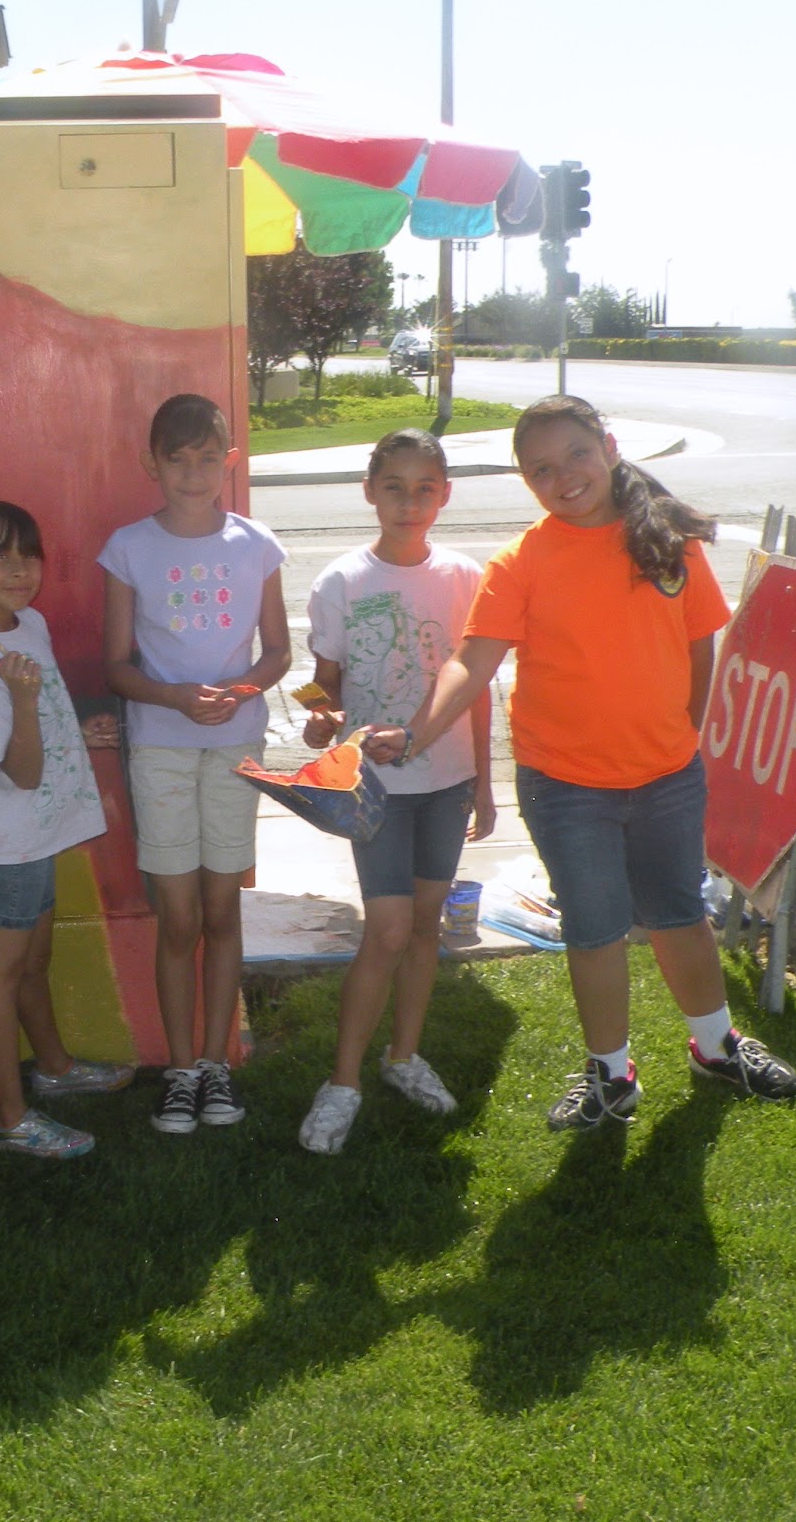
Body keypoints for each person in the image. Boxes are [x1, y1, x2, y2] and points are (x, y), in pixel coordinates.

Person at [366, 395, 796, 1130]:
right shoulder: (523, 562)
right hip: (565, 786)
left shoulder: (668, 543)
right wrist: (413, 732)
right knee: (593, 931)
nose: (563, 476)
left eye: (575, 454)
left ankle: (715, 1046)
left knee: (679, 916)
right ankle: (611, 1075)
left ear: (608, 444)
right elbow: (471, 662)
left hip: (666, 776)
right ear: (527, 483)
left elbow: (701, 647)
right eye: (541, 469)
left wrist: (682, 738)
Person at [297, 430, 497, 1154]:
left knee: (423, 926)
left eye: (424, 489)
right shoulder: (342, 582)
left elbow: (478, 685)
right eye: (393, 487)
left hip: (447, 782)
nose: (408, 503)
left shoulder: (468, 577)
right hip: (375, 785)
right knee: (384, 931)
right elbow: (325, 686)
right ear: (369, 491)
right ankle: (342, 1082)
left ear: (443, 495)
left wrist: (484, 784)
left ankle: (403, 1058)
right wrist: (321, 721)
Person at [100, 393, 290, 1135]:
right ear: (153, 463)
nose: (193, 473)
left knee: (222, 909)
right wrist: (176, 698)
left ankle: (216, 1064)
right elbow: (117, 666)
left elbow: (276, 651)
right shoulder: (127, 548)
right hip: (161, 747)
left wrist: (240, 691)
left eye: (207, 457)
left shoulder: (256, 544)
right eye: (177, 459)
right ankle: (180, 1069)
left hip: (235, 744)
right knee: (177, 919)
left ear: (229, 462)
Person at [0, 501, 135, 1160]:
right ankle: (10, 1118)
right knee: (1, 976)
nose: (20, 569)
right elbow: (19, 771)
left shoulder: (30, 625)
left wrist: (73, 731)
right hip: (10, 840)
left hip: (39, 832)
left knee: (34, 963)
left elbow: (38, 729)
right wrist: (23, 701)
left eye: (28, 553)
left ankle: (53, 1066)